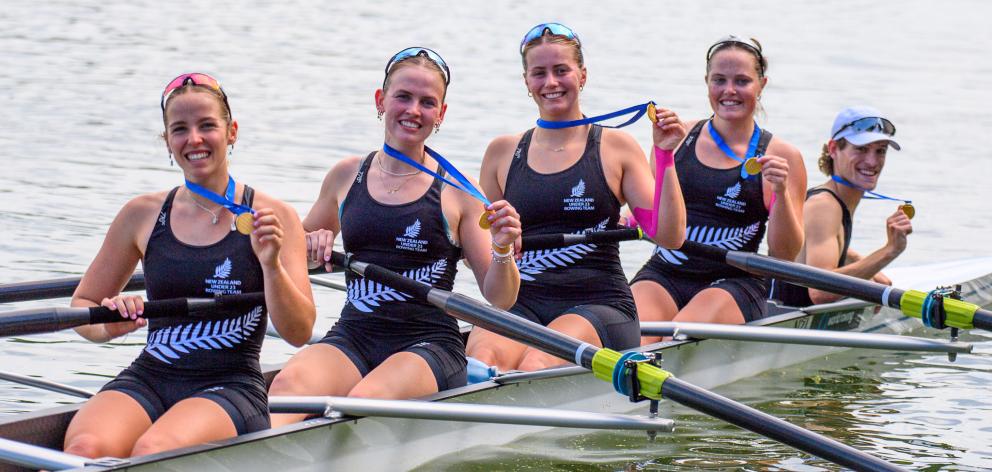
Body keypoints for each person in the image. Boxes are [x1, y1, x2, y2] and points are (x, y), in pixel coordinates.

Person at [63, 73, 316, 458]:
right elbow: (82, 306)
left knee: (153, 449)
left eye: (207, 126)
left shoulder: (274, 216)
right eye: (179, 129)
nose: (194, 139)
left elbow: (299, 332)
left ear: (232, 132)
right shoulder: (141, 215)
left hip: (229, 386)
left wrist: (271, 266)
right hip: (151, 375)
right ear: (168, 142)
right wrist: (107, 324)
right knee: (84, 448)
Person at [268, 47, 522, 426]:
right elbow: (294, 261)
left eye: (427, 102)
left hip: (428, 344)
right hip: (354, 334)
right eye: (403, 97)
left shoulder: (459, 194)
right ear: (380, 100)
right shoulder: (345, 176)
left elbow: (500, 298)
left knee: (362, 403)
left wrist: (502, 248)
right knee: (285, 390)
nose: (413, 110)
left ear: (441, 115)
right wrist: (310, 243)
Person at [465, 23, 687, 372]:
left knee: (535, 363)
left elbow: (669, 236)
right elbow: (481, 257)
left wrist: (664, 156)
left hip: (599, 305)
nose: (551, 83)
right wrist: (498, 247)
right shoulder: (501, 153)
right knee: (479, 361)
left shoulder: (616, 148)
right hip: (522, 302)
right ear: (526, 82)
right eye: (539, 73)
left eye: (561, 71)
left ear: (582, 76)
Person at [631, 35, 807, 344]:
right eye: (719, 80)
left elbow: (785, 254)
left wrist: (780, 192)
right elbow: (652, 217)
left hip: (735, 282)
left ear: (762, 84)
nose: (729, 91)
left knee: (676, 337)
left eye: (742, 81)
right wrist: (628, 217)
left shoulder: (782, 156)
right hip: (665, 272)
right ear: (706, 82)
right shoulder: (675, 138)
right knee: (630, 337)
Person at [769, 106, 911, 306]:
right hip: (777, 322)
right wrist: (889, 251)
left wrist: (863, 265)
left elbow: (821, 242)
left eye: (880, 151)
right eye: (861, 149)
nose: (872, 161)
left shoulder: (832, 198)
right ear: (834, 149)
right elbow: (820, 292)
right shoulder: (824, 206)